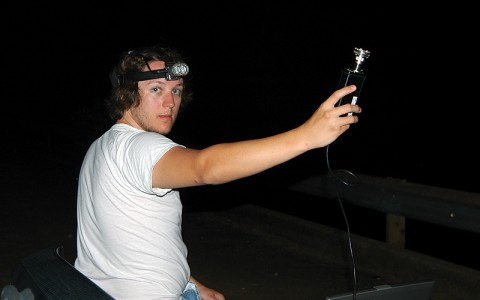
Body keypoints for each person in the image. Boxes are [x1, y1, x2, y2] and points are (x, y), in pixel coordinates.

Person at [74, 44, 361, 300]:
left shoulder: (102, 146)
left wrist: (190, 282)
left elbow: (129, 242)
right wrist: (306, 137)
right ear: (126, 96)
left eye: (176, 90)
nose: (170, 102)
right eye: (156, 89)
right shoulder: (142, 147)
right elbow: (205, 168)